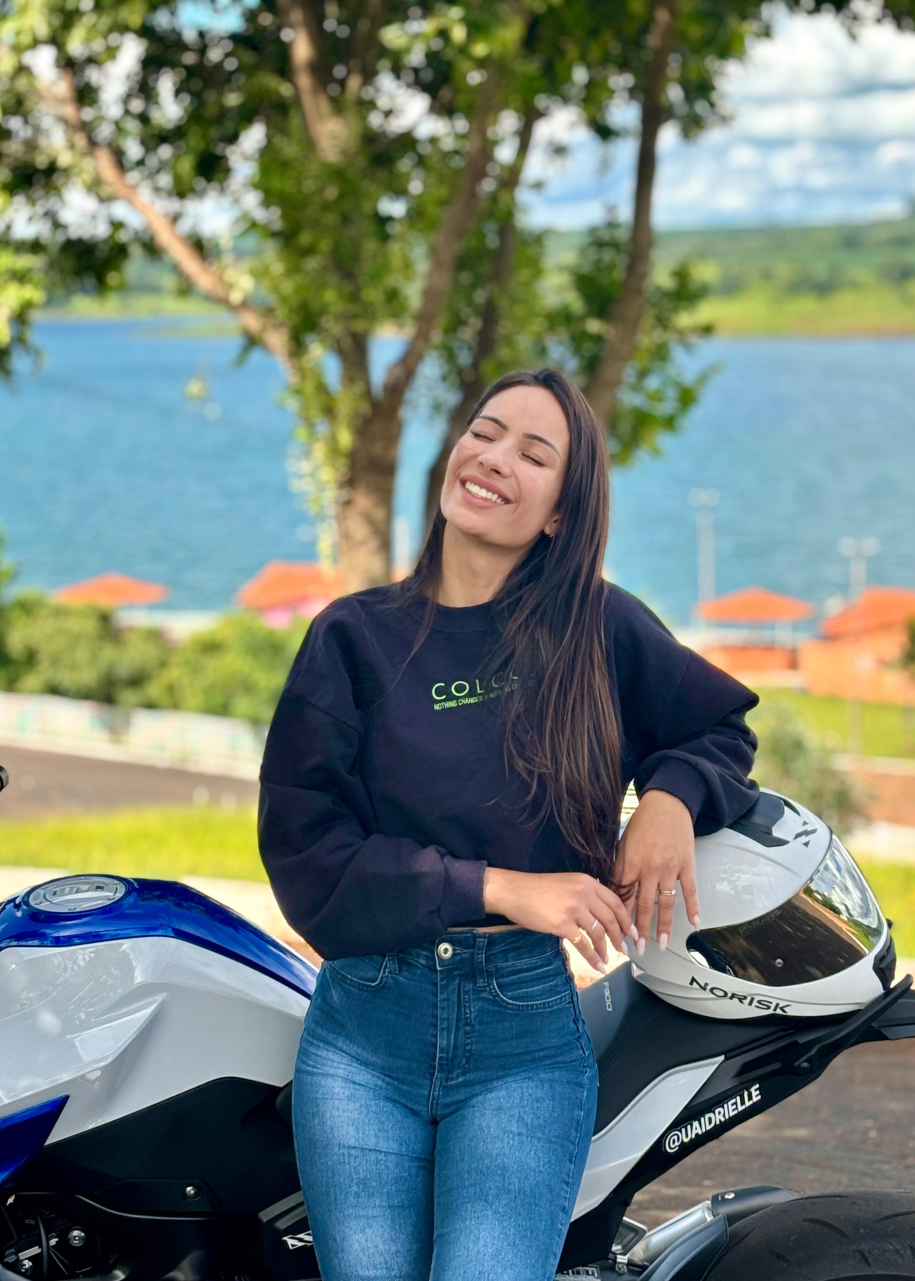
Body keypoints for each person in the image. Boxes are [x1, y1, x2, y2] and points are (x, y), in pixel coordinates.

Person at [258, 368, 760, 1281]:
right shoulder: (352, 637)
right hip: (362, 1035)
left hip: (521, 1043)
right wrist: (499, 887)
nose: (492, 458)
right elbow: (307, 855)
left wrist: (669, 797)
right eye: (483, 433)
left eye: (533, 453)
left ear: (560, 512)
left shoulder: (599, 629)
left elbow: (717, 726)